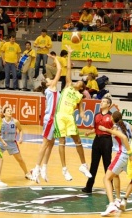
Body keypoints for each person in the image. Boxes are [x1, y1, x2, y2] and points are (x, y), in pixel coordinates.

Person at [54, 45, 92, 181]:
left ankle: (83, 165)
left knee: (78, 141)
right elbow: (68, 69)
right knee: (62, 141)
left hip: (69, 117)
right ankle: (64, 169)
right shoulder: (68, 85)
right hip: (60, 117)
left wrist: (82, 114)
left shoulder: (79, 96)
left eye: (79, 82)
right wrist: (69, 53)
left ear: (81, 87)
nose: (76, 81)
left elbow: (81, 109)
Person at [31, 54, 62, 183]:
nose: (51, 79)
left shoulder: (53, 89)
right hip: (50, 118)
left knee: (51, 143)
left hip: (54, 118)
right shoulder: (51, 88)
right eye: (49, 79)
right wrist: (55, 59)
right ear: (48, 84)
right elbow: (60, 70)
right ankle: (36, 169)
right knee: (45, 144)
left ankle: (44, 167)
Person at [99, 111, 132, 216]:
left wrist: (105, 129)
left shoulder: (115, 128)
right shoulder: (127, 124)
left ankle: (111, 205)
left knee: (106, 178)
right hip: (127, 156)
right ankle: (118, 199)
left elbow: (123, 137)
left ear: (112, 118)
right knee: (117, 175)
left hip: (122, 155)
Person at [82, 97, 114, 193]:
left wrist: (105, 130)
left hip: (107, 141)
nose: (101, 102)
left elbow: (115, 130)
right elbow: (95, 128)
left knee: (107, 164)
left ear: (108, 105)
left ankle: (110, 187)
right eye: (101, 101)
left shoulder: (111, 116)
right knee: (94, 164)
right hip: (97, 140)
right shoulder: (96, 115)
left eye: (104, 101)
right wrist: (89, 132)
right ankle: (89, 187)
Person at [0, 107, 32, 180]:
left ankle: (27, 173)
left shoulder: (15, 121)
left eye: (11, 111)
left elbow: (20, 130)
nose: (10, 112)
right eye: (8, 111)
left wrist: (20, 138)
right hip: (1, 143)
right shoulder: (0, 121)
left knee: (20, 159)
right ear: (4, 113)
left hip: (12, 143)